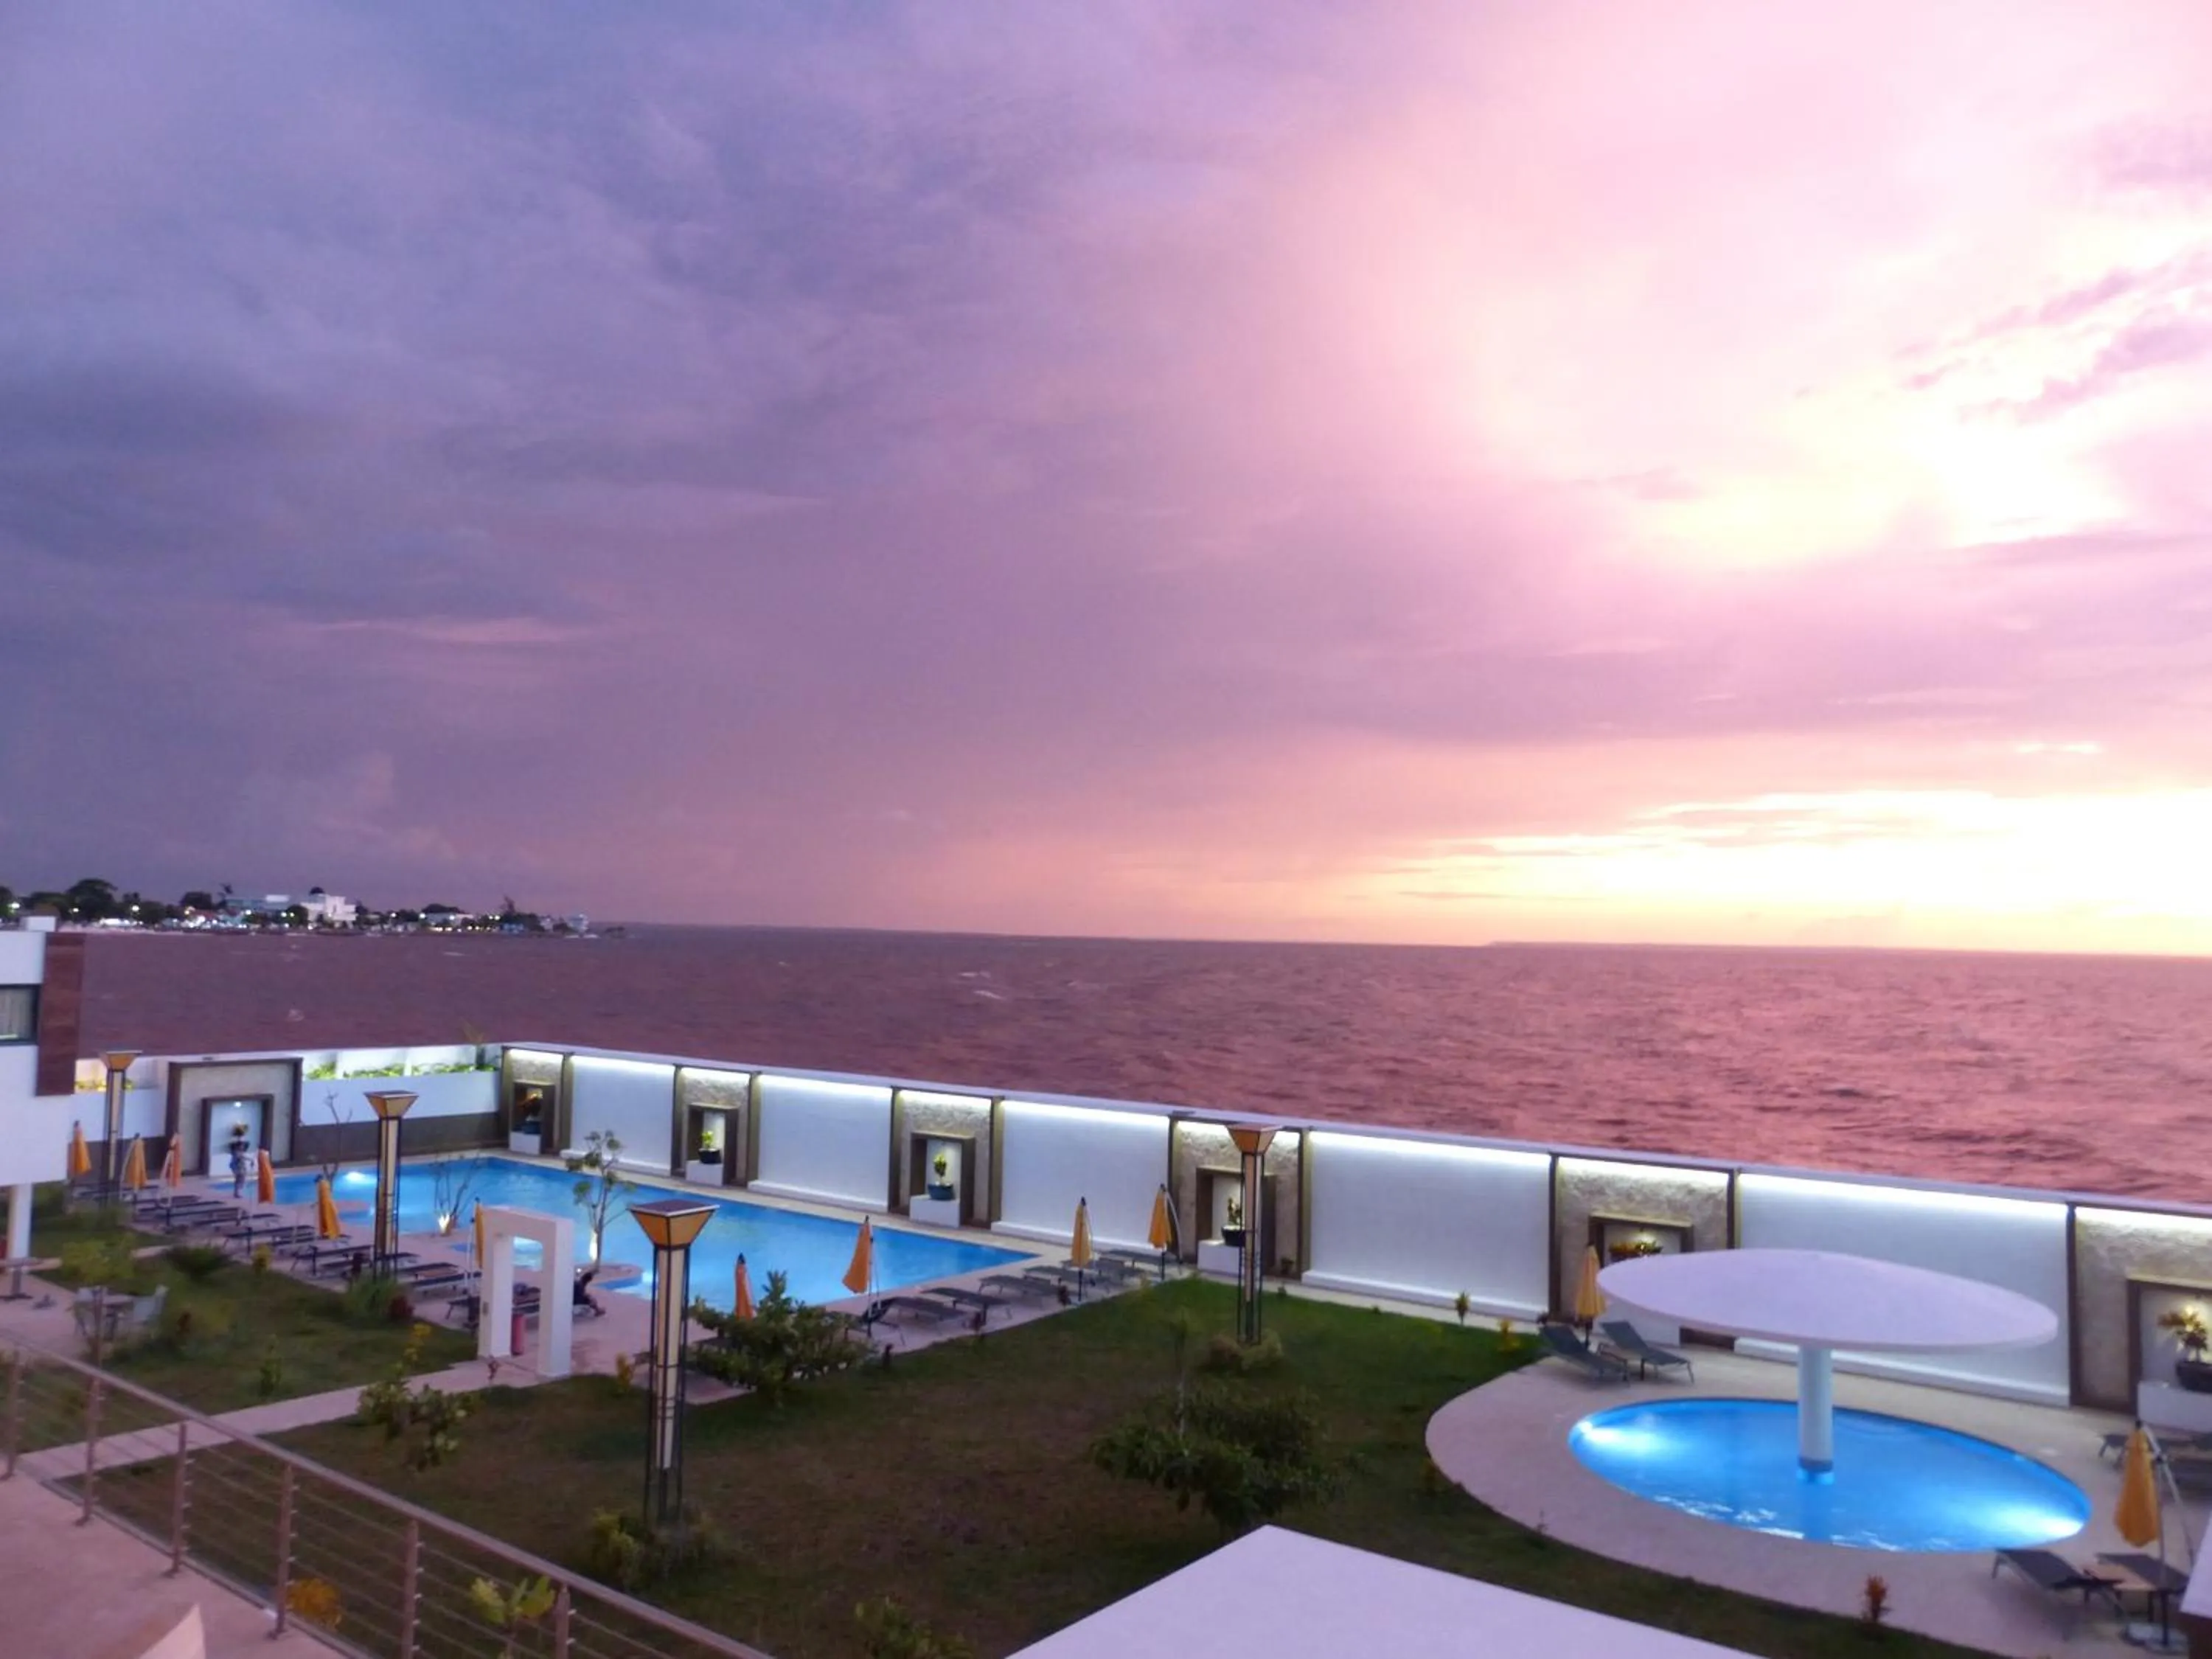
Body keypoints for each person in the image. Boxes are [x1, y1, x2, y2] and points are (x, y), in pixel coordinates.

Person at [227, 1125, 251, 1199]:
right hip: (238, 1167)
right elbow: (240, 1157)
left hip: (239, 1167)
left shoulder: (239, 1152)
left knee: (240, 1179)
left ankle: (237, 1192)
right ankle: (237, 1192)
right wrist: (250, 1160)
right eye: (242, 1146)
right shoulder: (237, 1152)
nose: (243, 1147)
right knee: (239, 1179)